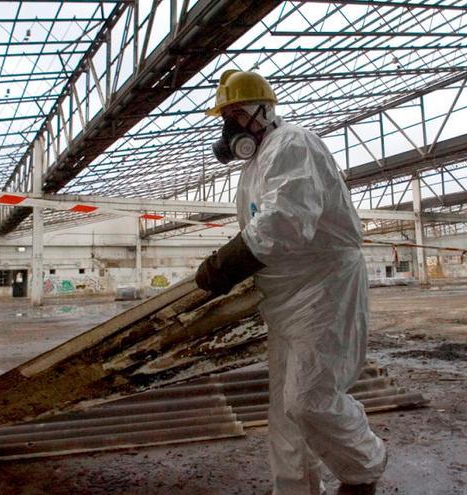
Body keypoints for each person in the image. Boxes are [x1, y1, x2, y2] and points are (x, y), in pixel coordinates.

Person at [195, 70, 387, 495]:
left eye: (238, 114)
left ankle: (362, 471)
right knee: (286, 405)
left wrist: (225, 265)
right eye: (226, 116)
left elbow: (286, 221)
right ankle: (295, 488)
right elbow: (263, 224)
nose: (231, 126)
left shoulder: (293, 143)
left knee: (309, 398)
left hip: (322, 288)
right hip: (285, 296)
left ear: (264, 111)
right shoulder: (254, 166)